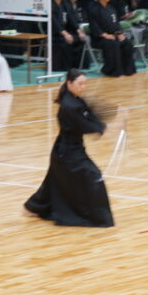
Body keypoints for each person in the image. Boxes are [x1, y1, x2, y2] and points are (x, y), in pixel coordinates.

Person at [24, 69, 117, 226]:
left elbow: (90, 115)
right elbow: (84, 125)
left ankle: (32, 207)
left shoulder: (76, 100)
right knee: (93, 176)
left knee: (55, 182)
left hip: (67, 149)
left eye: (85, 84)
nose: (83, 87)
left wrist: (105, 126)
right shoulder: (69, 106)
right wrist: (103, 130)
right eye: (80, 84)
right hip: (67, 153)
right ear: (69, 83)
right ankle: (97, 217)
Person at [87, 0, 136, 77]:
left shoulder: (111, 8)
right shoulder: (93, 9)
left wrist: (120, 33)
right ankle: (112, 70)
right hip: (99, 39)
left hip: (114, 36)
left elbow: (116, 23)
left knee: (127, 42)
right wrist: (105, 35)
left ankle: (128, 70)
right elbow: (94, 26)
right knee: (113, 43)